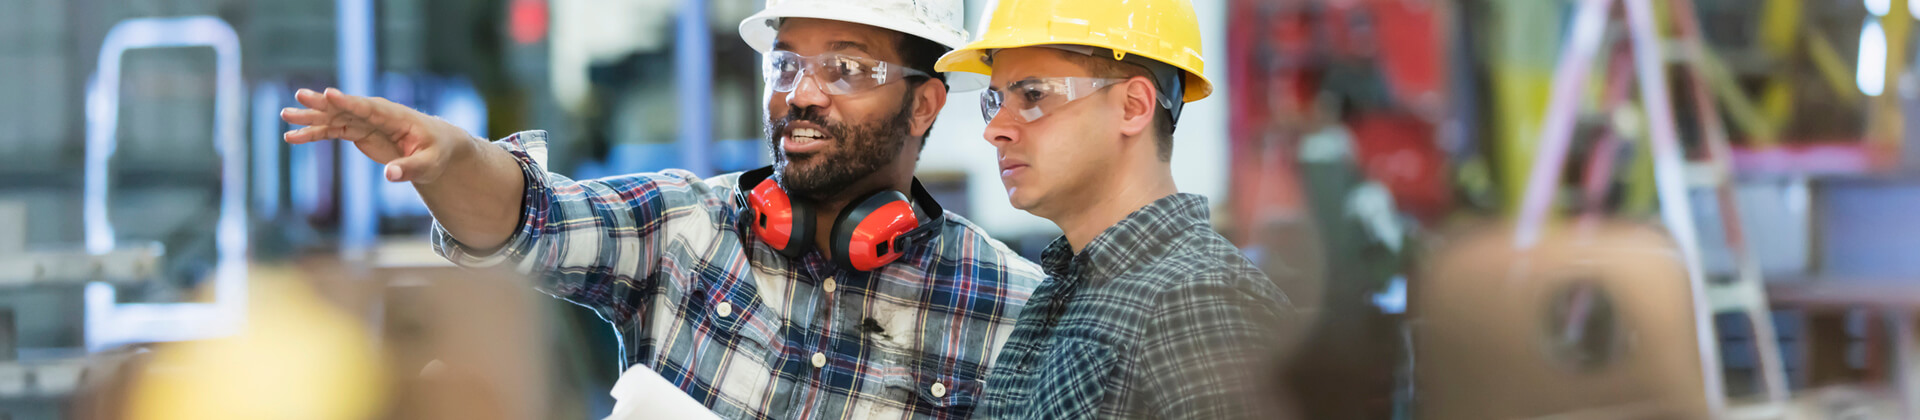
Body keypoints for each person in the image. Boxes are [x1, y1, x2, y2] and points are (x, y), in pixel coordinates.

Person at [278, 0, 1042, 417]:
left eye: (844, 68)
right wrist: (448, 156)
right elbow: (528, 220)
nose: (801, 93)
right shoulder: (686, 226)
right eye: (786, 63)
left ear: (925, 105)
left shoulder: (1009, 309)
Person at [932, 0, 1296, 418]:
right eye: (994, 101)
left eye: (1033, 95)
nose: (995, 129)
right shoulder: (1066, 293)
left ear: (1133, 106)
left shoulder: (1200, 298)